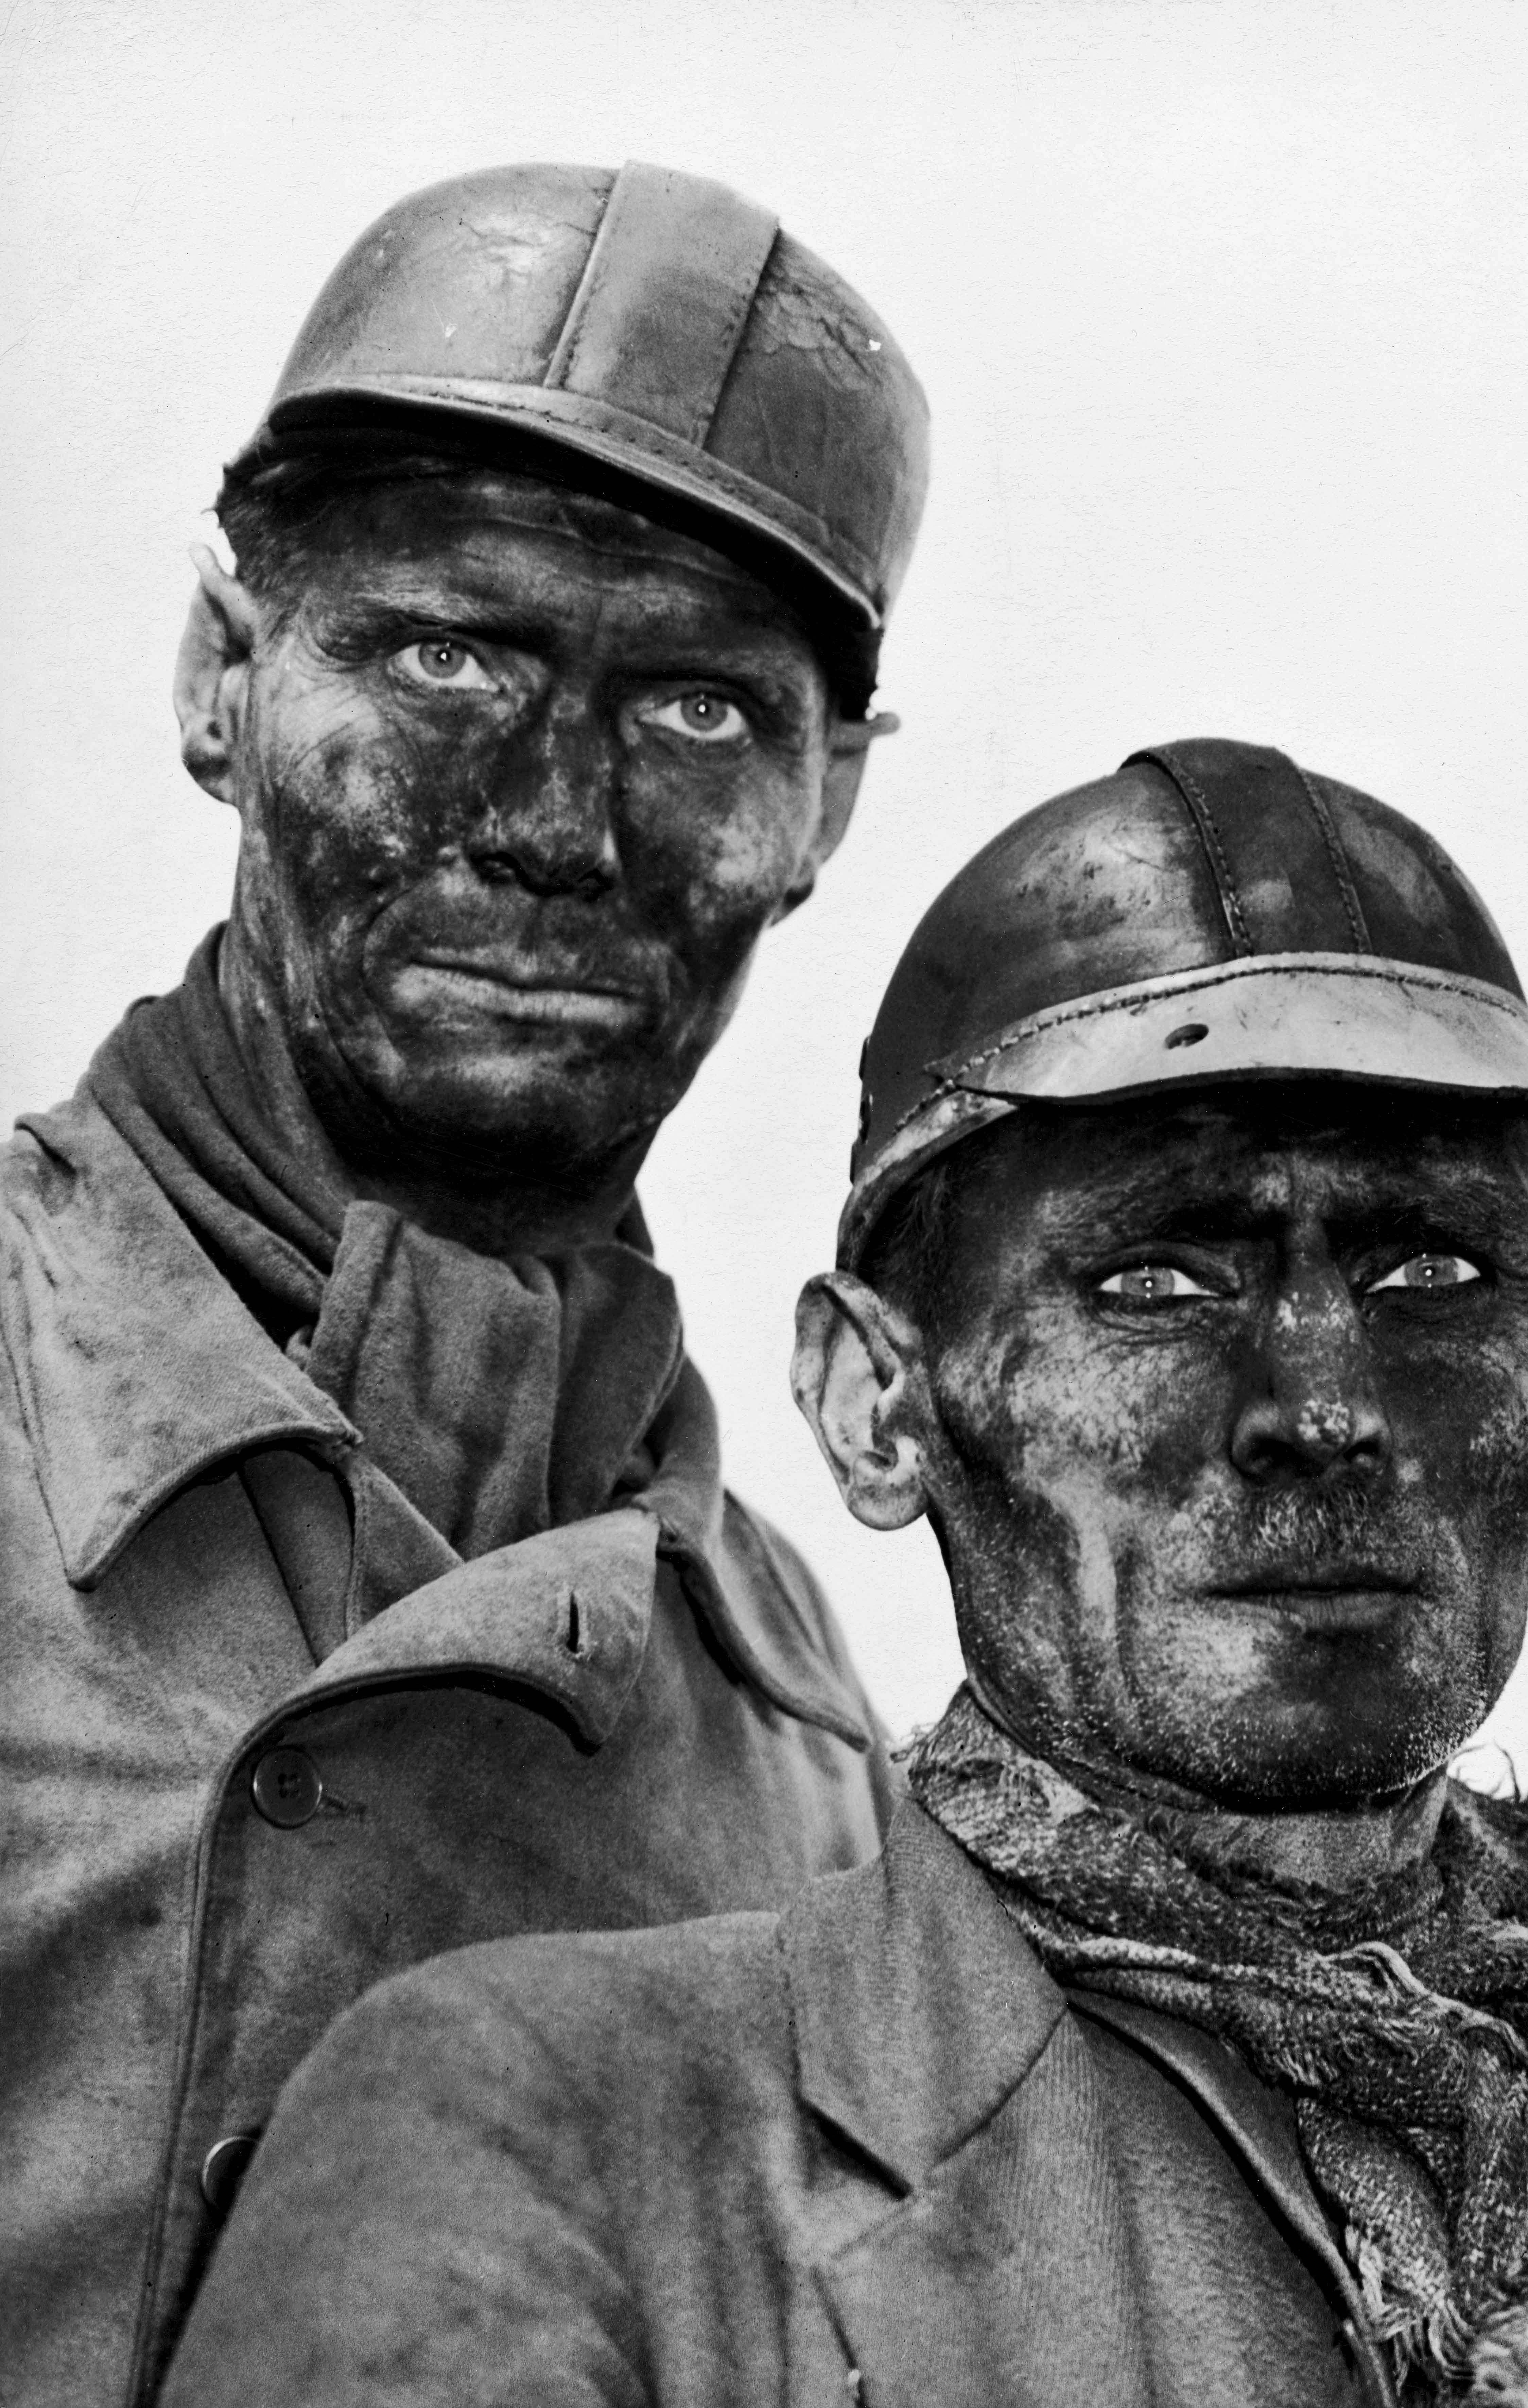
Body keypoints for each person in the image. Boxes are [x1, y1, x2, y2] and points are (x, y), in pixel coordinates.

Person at [159, 738, 1528, 2408]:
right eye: (1159, 1278)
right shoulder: (535, 2138)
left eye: (1431, 1272)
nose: (1323, 1406)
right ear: (876, 1402)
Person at [0, 159, 928, 2406]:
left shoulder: (815, 1749)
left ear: (826, 808)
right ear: (224, 677)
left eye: (697, 713)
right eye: (443, 657)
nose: (556, 821)